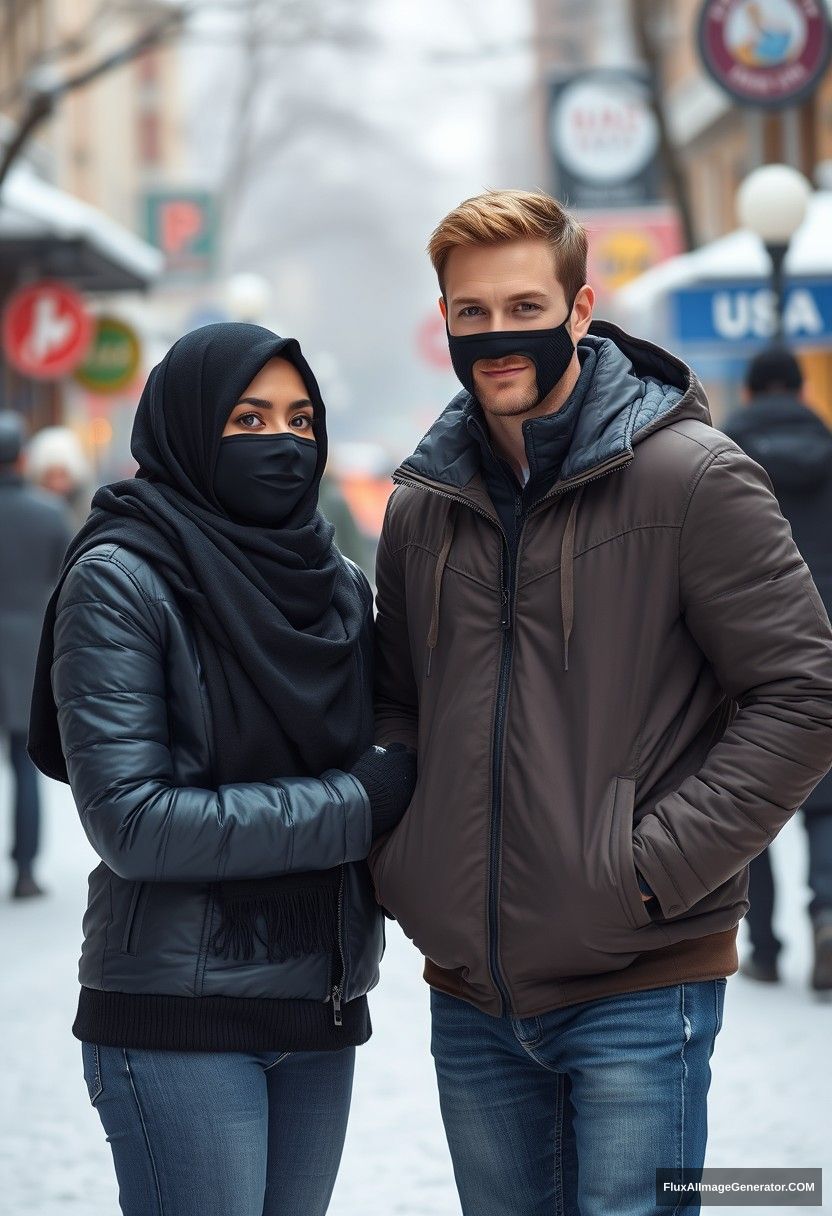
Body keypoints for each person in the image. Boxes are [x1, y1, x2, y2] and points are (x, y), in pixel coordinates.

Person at [369, 190, 832, 1216]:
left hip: (638, 976)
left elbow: (802, 693)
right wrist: (413, 856)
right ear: (443, 319)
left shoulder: (692, 477)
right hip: (472, 990)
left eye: (523, 304)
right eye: (470, 312)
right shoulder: (421, 508)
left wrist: (649, 869)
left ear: (581, 310)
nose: (498, 334)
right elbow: (396, 700)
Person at [27, 323, 416, 1216]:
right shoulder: (124, 577)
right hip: (179, 1014)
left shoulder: (334, 584)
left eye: (300, 420)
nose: (282, 443)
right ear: (190, 429)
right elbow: (135, 824)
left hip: (317, 1004)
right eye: (247, 418)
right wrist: (357, 804)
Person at [722, 346, 832, 991]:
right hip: (825, 645)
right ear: (797, 388)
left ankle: (762, 944)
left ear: (752, 388)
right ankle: (827, 915)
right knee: (826, 804)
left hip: (744, 648)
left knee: (747, 797)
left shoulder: (717, 456)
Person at [0, 411, 72, 898]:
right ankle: (25, 872)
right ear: (23, 457)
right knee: (25, 768)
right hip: (27, 656)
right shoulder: (48, 514)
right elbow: (68, 585)